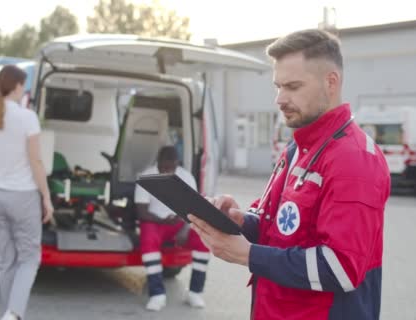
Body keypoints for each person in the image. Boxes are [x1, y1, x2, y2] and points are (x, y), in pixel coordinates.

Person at [189, 29, 390, 320]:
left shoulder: (353, 160)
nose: (280, 99)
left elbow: (342, 268)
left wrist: (247, 254)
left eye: (293, 86)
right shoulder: (299, 147)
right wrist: (241, 221)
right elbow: (285, 231)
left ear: (331, 82)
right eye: (278, 86)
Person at [0, 65, 53, 320]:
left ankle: (8, 314)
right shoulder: (27, 118)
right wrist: (46, 197)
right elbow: (36, 161)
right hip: (23, 197)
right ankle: (14, 313)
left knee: (5, 260)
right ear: (18, 86)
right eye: (24, 85)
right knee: (30, 259)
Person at [134, 146, 210, 311]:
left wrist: (184, 229)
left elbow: (194, 209)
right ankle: (157, 294)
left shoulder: (186, 177)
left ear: (177, 164)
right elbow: (142, 211)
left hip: (179, 223)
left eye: (171, 168)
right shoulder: (147, 176)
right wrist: (162, 220)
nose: (167, 172)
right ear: (158, 162)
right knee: (147, 238)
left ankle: (195, 292)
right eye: (163, 167)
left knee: (203, 239)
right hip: (155, 222)